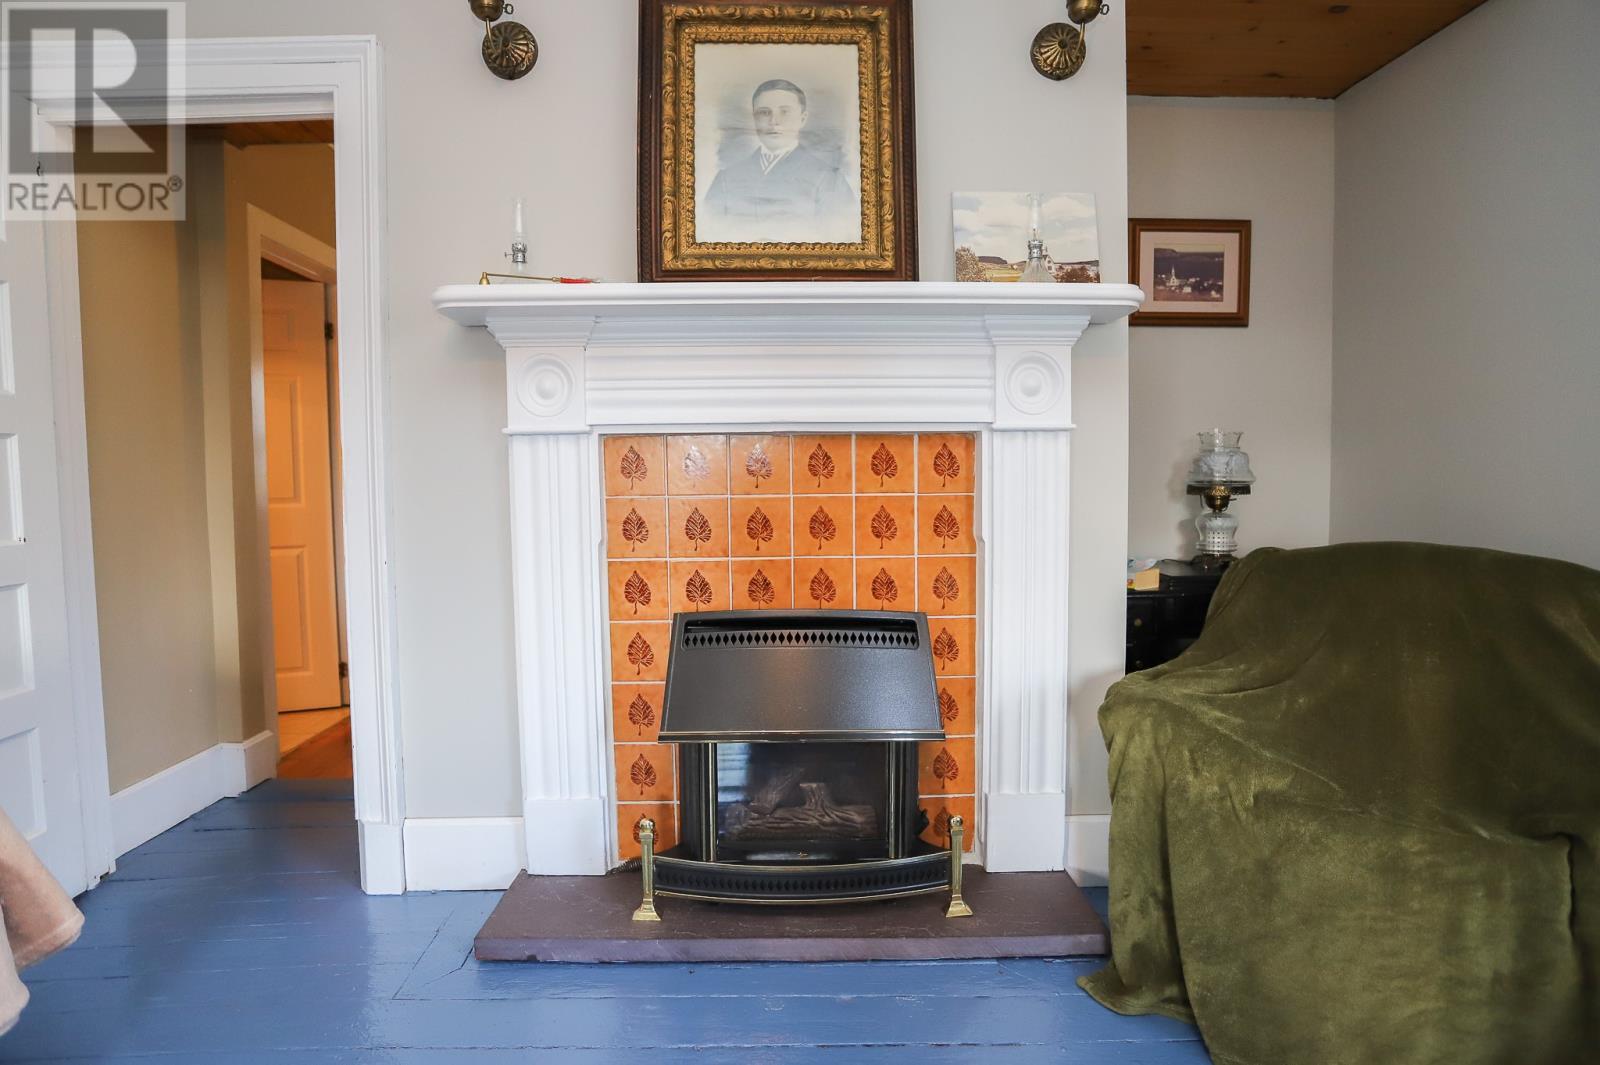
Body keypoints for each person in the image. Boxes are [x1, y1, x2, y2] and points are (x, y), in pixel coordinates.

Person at [702, 78, 857, 240]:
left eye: (785, 112)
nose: (774, 122)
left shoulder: (830, 179)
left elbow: (839, 238)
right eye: (764, 112)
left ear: (802, 119)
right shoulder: (726, 179)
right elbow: (709, 235)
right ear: (754, 119)